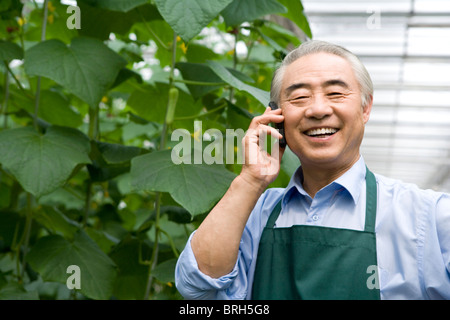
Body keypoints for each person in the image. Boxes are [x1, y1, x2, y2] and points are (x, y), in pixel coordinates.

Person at [174, 40, 450, 300]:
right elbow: (196, 288)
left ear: (366, 108)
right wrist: (250, 180)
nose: (318, 110)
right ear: (276, 116)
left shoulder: (428, 217)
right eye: (300, 97)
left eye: (335, 93)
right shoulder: (257, 214)